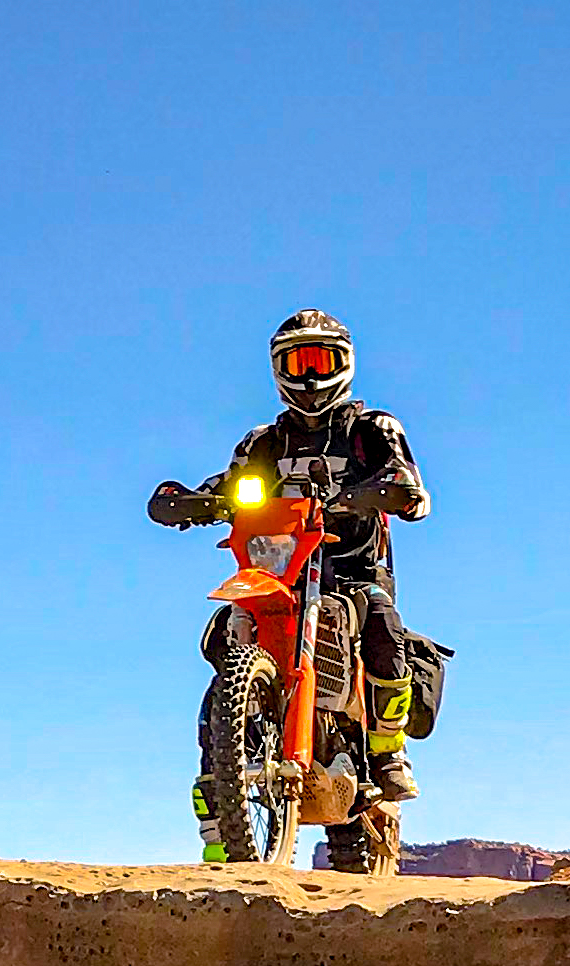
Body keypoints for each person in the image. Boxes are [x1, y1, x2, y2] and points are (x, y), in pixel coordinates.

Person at [148, 311, 435, 846]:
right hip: (276, 568)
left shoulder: (371, 429)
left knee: (382, 624)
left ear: (344, 364)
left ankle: (387, 749)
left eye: (320, 360)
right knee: (223, 638)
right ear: (278, 368)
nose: (309, 375)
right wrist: (190, 500)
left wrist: (391, 491)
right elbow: (231, 483)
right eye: (298, 362)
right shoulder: (263, 442)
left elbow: (405, 479)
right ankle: (221, 786)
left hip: (352, 569)